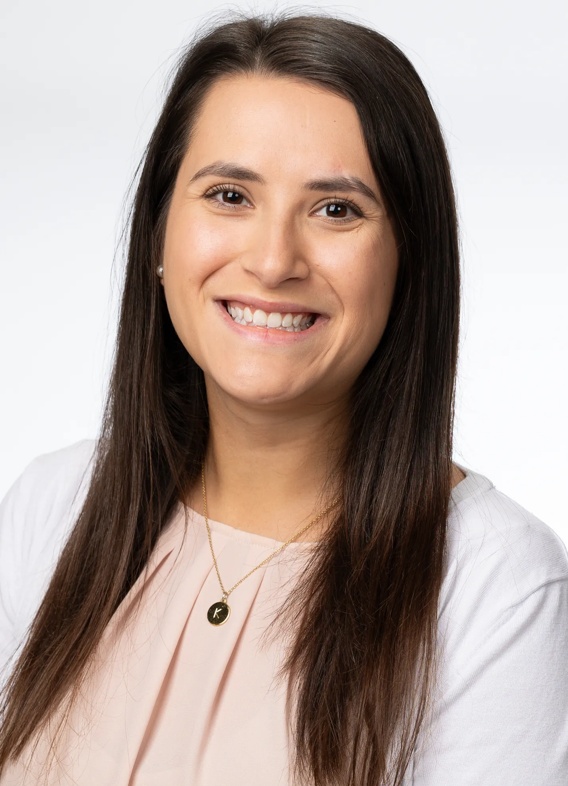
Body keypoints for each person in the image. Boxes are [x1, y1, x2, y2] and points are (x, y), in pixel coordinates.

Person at [0, 12, 567, 786]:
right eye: (230, 195)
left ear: (409, 263)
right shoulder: (50, 507)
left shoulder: (492, 583)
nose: (272, 261)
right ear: (160, 234)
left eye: (337, 209)